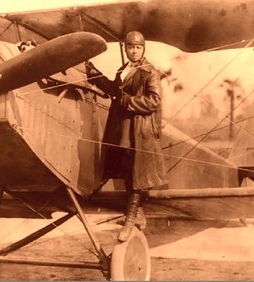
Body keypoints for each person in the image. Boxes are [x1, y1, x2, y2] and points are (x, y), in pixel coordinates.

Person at [85, 31, 168, 242]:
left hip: (139, 131)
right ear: (126, 48)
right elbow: (115, 90)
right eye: (131, 47)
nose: (134, 51)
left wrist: (127, 102)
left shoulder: (150, 72)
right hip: (122, 129)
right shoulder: (124, 70)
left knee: (136, 174)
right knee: (126, 170)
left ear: (143, 49)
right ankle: (138, 214)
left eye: (138, 47)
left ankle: (131, 218)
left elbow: (154, 101)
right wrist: (94, 74)